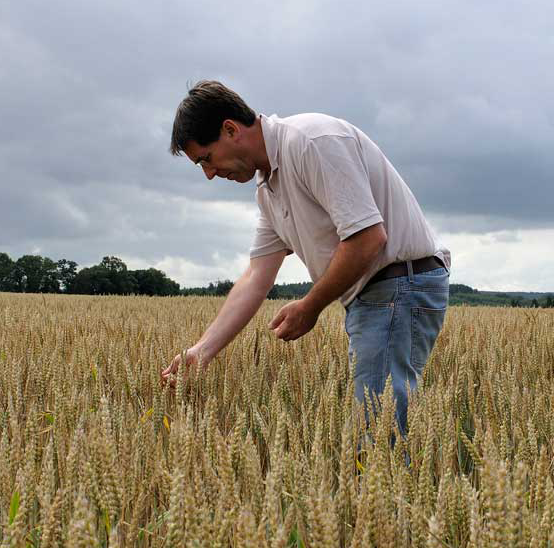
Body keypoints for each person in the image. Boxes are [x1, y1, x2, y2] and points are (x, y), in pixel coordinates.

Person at [160, 80, 451, 439]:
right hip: (381, 292)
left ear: (230, 129)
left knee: (378, 441)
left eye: (206, 158)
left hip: (397, 286)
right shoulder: (269, 189)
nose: (208, 173)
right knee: (379, 433)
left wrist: (310, 306)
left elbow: (368, 239)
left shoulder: (312, 142)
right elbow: (256, 276)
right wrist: (201, 351)